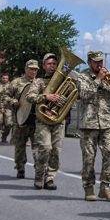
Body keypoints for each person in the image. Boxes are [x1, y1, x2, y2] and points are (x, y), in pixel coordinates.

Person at [75, 51, 110, 202]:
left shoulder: (108, 76)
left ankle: (105, 187)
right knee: (89, 158)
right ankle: (89, 188)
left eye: (101, 61)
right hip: (89, 123)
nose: (99, 64)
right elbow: (84, 95)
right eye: (96, 62)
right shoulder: (82, 77)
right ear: (89, 62)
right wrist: (98, 79)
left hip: (107, 122)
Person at [30, 53, 65, 189]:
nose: (52, 66)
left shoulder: (64, 80)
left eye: (54, 64)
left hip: (58, 120)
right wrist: (46, 97)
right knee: (45, 148)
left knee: (56, 151)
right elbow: (30, 96)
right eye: (49, 64)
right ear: (44, 66)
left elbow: (74, 97)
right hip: (43, 120)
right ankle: (39, 176)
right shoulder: (38, 81)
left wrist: (63, 100)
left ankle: (50, 178)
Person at [9, 60, 39, 178]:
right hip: (20, 120)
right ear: (26, 69)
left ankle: (39, 170)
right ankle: (20, 168)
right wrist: (13, 101)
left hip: (36, 120)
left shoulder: (40, 83)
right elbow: (5, 96)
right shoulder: (16, 82)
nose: (33, 71)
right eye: (31, 69)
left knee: (38, 147)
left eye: (35, 69)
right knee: (20, 146)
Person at [0, 73, 14, 144]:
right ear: (1, 78)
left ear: (8, 79)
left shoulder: (11, 85)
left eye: (6, 78)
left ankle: (4, 137)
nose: (5, 79)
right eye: (3, 78)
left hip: (8, 107)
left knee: (9, 124)